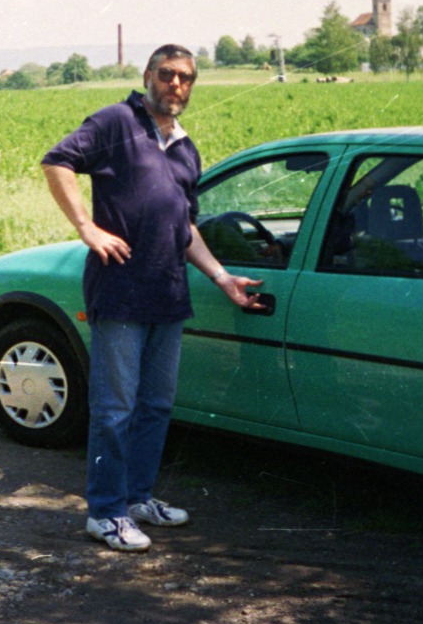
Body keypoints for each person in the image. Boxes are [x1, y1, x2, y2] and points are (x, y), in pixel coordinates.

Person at [40, 43, 260, 551]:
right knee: (114, 409)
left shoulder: (185, 149)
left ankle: (138, 498)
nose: (176, 85)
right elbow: (57, 162)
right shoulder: (117, 121)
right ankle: (105, 513)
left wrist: (222, 278)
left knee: (156, 406)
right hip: (119, 291)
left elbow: (185, 227)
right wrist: (86, 227)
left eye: (186, 77)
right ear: (147, 76)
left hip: (168, 294)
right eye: (167, 74)